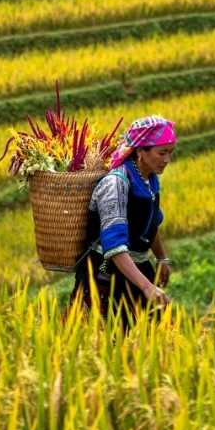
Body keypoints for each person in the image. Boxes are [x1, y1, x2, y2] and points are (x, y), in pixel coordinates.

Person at [70, 114, 176, 328]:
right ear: (140, 151)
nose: (167, 160)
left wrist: (162, 259)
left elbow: (151, 224)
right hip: (107, 273)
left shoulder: (149, 180)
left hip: (136, 269)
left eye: (170, 153)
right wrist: (147, 287)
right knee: (111, 339)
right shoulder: (116, 184)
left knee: (156, 340)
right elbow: (115, 247)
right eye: (161, 153)